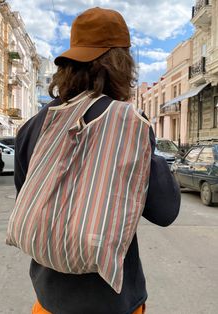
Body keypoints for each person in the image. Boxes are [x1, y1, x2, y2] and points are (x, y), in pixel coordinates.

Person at [14, 7, 180, 314]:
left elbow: (30, 199)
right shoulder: (130, 123)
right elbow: (165, 210)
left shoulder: (35, 125)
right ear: (122, 63)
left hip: (48, 300)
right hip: (113, 301)